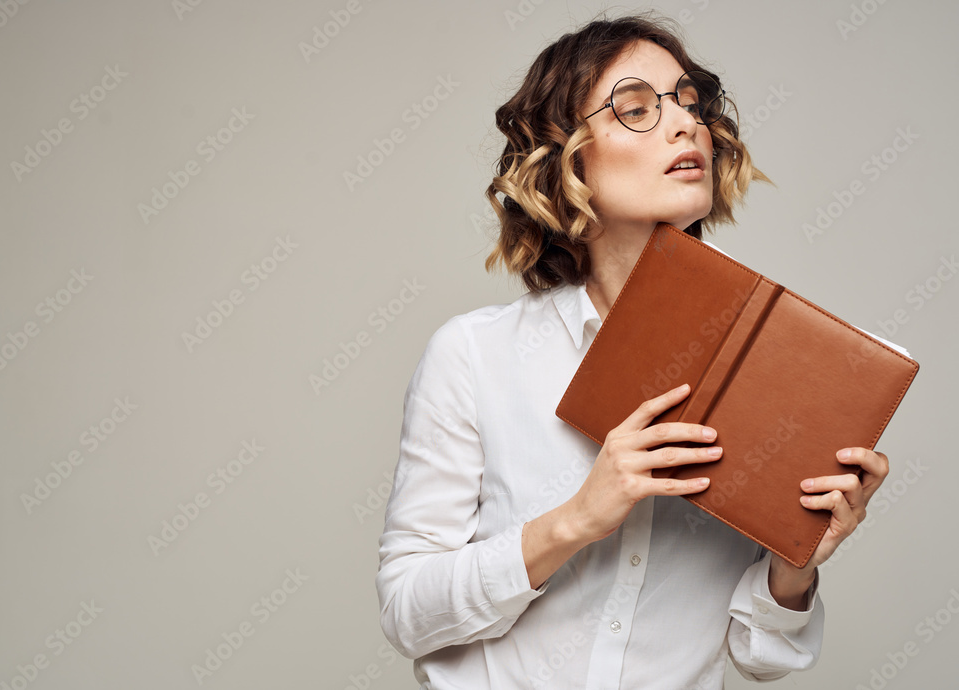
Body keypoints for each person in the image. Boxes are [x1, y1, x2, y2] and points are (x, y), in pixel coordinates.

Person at [376, 13, 890, 689]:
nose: (685, 125)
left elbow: (760, 658)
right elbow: (407, 615)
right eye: (636, 108)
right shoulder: (475, 356)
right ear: (564, 159)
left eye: (690, 101)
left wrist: (797, 563)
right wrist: (577, 520)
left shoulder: (773, 364)